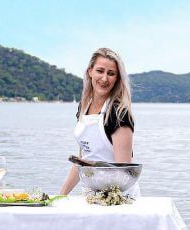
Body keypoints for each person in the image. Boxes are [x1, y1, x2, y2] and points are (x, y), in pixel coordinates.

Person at [59, 48, 140, 196]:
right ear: (90, 71)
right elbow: (83, 159)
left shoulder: (119, 113)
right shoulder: (84, 106)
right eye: (100, 71)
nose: (104, 78)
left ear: (117, 79)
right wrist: (61, 195)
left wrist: (103, 201)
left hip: (120, 197)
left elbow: (123, 173)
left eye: (111, 73)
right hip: (93, 195)